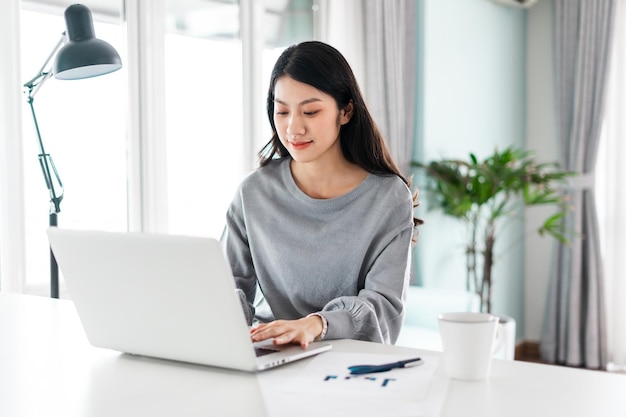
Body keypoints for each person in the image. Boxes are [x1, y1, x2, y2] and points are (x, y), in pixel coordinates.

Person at [224, 40, 422, 349]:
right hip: (269, 358)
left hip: (349, 364)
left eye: (311, 111)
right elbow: (229, 287)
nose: (293, 128)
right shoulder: (253, 193)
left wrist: (316, 325)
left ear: (346, 111)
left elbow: (383, 308)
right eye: (282, 112)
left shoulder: (388, 198)